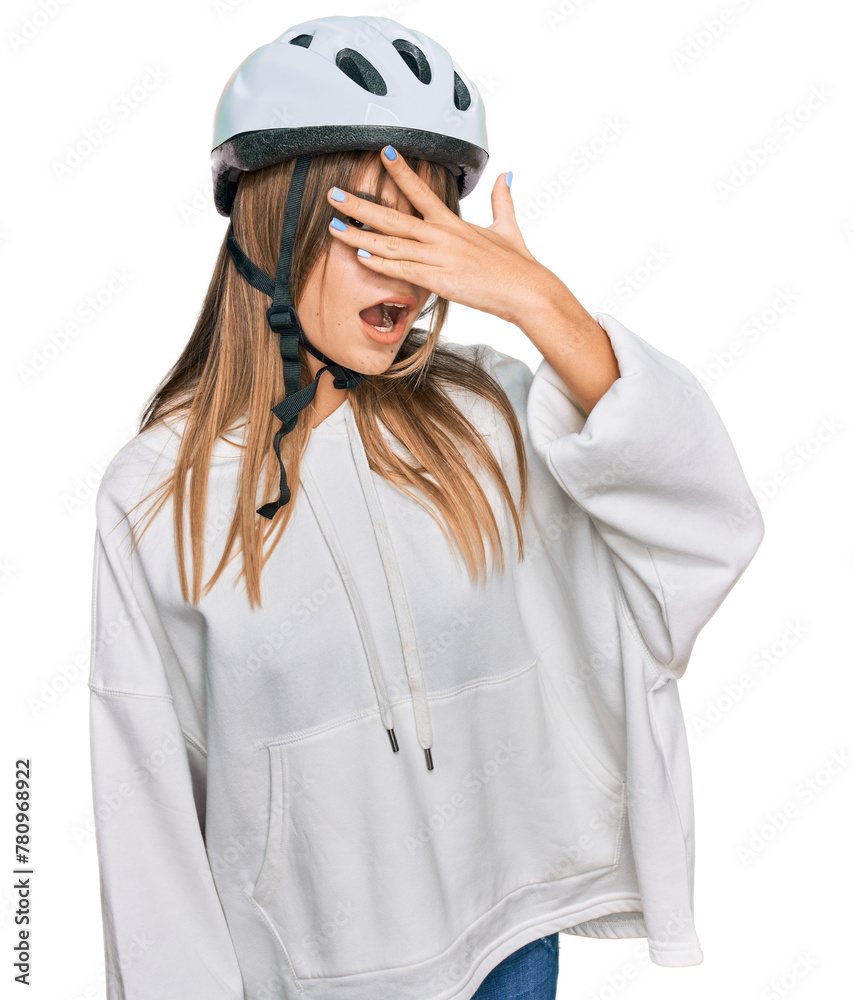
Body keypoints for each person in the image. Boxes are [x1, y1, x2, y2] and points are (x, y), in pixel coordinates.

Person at [86, 14, 765, 1000]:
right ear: (270, 225)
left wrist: (543, 305)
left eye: (431, 229)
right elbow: (143, 813)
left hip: (508, 946)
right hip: (299, 977)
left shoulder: (488, 414)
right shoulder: (157, 494)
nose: (405, 271)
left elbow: (703, 522)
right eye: (370, 224)